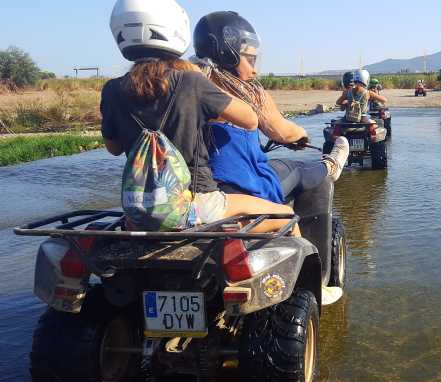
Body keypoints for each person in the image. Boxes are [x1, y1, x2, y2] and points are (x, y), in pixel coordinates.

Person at [101, 0, 297, 234]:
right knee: (286, 215)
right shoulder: (190, 82)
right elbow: (250, 120)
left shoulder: (112, 89)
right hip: (196, 202)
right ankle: (317, 271)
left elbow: (113, 148)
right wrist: (205, 97)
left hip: (139, 210)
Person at [191, 11, 350, 203]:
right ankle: (331, 166)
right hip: (243, 187)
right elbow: (281, 132)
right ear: (228, 54)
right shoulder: (247, 93)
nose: (254, 69)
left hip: (194, 192)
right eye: (249, 59)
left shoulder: (185, 85)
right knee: (297, 169)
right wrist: (301, 135)